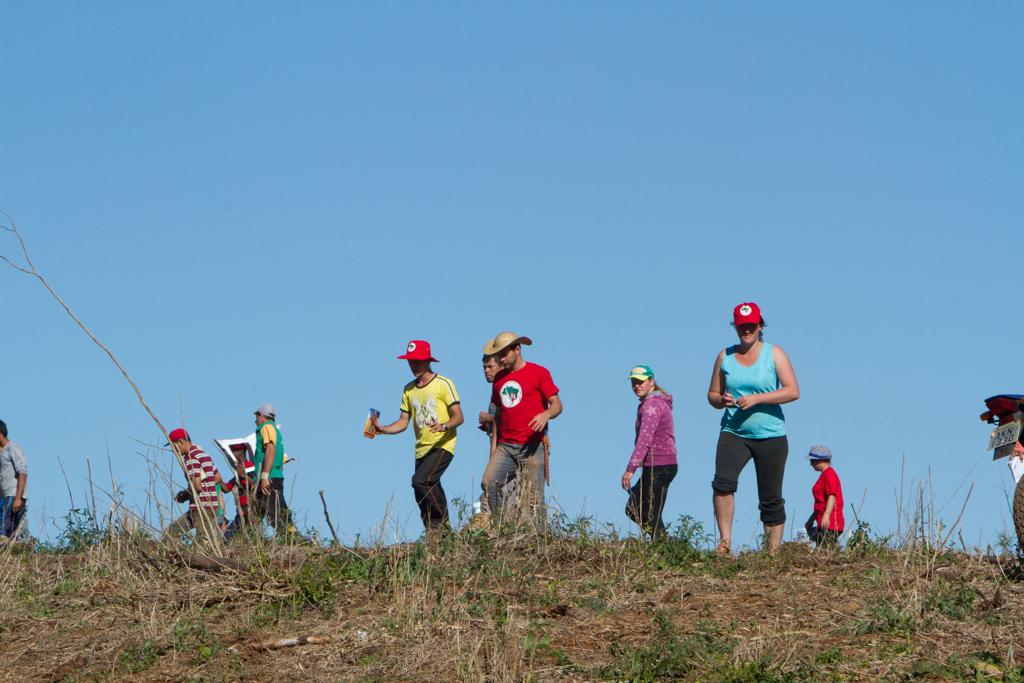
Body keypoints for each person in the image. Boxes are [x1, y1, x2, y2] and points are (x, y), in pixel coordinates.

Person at [707, 302, 800, 555]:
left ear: (760, 325)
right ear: (735, 327)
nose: (746, 330)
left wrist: (757, 399)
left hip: (770, 435)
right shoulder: (724, 356)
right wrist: (721, 400)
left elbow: (793, 391)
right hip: (734, 432)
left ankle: (771, 553)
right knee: (723, 483)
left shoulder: (775, 354)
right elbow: (712, 395)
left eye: (751, 325)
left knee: (770, 497)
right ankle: (725, 543)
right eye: (741, 326)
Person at [372, 340, 464, 532]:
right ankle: (434, 534)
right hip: (421, 448)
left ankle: (444, 527)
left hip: (442, 444)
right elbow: (403, 422)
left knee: (420, 481)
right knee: (422, 490)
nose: (413, 365)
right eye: (410, 361)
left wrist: (444, 426)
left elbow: (459, 417)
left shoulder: (443, 384)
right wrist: (383, 429)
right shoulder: (408, 389)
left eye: (417, 361)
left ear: (428, 361)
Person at [481, 331, 562, 527]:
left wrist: (546, 414)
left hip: (532, 447)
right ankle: (502, 525)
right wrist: (493, 440)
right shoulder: (499, 379)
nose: (501, 358)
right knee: (489, 482)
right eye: (498, 354)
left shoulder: (539, 372)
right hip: (506, 446)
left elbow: (557, 404)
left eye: (504, 354)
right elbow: (499, 414)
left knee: (532, 501)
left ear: (517, 350)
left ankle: (538, 540)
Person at [620, 365, 678, 540]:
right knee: (634, 508)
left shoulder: (651, 406)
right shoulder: (653, 403)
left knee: (649, 511)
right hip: (656, 465)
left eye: (640, 382)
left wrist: (630, 469)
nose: (637, 386)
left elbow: (644, 440)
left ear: (651, 382)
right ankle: (661, 543)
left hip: (660, 465)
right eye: (634, 382)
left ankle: (663, 547)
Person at [163, 428, 220, 542]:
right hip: (208, 506)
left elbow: (197, 487)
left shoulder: (190, 457)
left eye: (174, 447)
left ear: (181, 442)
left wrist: (184, 495)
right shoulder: (203, 454)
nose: (174, 451)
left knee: (204, 542)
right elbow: (218, 478)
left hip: (201, 507)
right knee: (171, 532)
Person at [252, 404, 297, 536]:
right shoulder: (274, 430)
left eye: (257, 416)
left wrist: (265, 476)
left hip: (269, 477)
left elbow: (270, 450)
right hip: (272, 476)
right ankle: (248, 540)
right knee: (261, 513)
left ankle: (293, 539)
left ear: (263, 416)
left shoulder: (266, 427)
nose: (255, 419)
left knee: (275, 513)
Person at [804, 445, 844, 548]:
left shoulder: (830, 474)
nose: (811, 464)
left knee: (825, 550)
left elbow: (832, 496)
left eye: (812, 461)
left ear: (820, 460)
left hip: (830, 523)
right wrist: (811, 519)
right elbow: (821, 503)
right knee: (821, 548)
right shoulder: (824, 475)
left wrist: (826, 515)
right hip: (823, 522)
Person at [0, 420, 28, 538]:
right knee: (9, 532)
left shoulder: (13, 448)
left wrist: (18, 498)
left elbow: (22, 471)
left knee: (5, 530)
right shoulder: (3, 451)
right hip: (5, 497)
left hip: (13, 496)